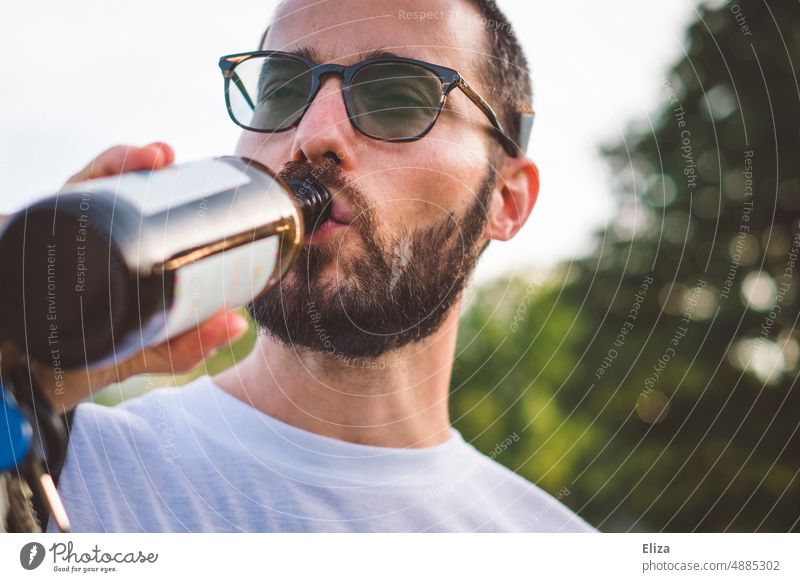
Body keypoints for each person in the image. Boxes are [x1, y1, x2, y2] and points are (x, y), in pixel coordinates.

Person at [11, 0, 595, 532]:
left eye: (396, 97)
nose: (312, 135)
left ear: (506, 200)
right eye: (284, 90)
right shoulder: (49, 464)